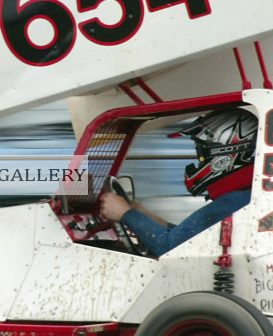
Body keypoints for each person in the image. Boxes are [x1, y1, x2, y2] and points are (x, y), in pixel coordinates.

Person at [98, 108, 258, 256]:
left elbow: (171, 248)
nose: (198, 162)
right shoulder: (243, 197)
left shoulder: (231, 203)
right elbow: (189, 238)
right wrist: (147, 217)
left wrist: (126, 214)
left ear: (224, 157)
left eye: (202, 156)